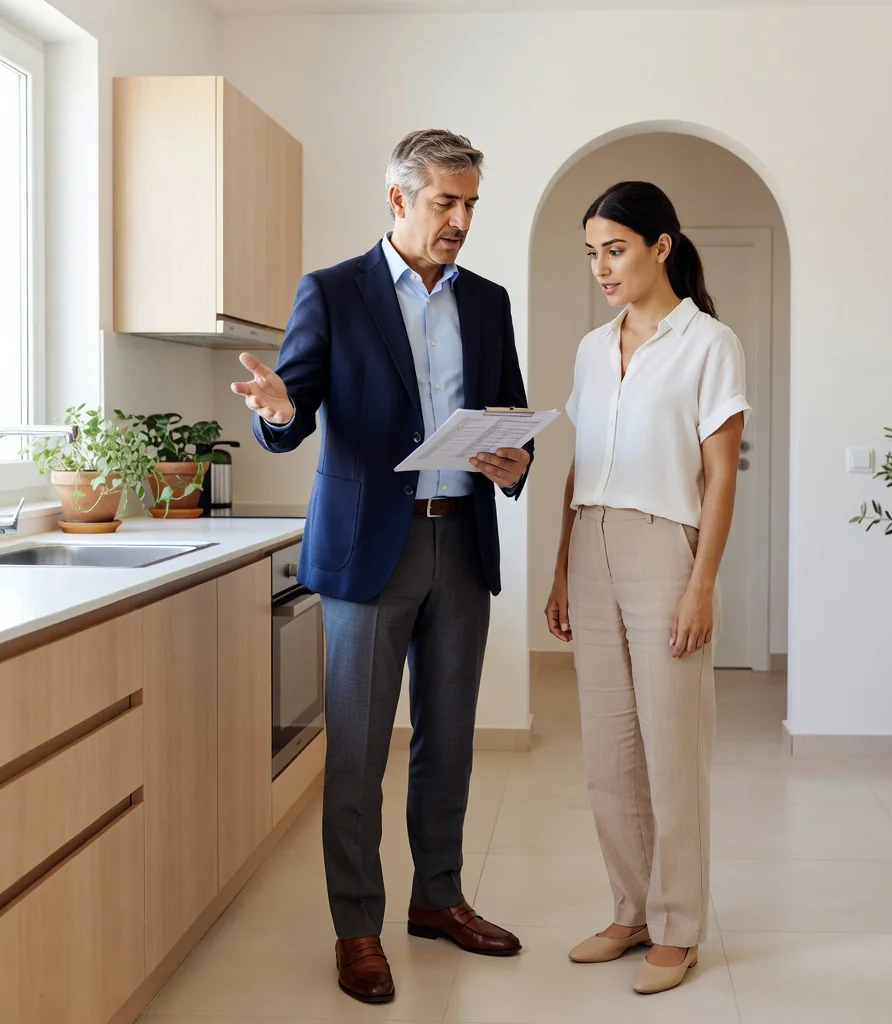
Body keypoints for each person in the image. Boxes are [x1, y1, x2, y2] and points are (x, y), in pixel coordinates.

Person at [231, 129, 532, 1006]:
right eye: (446, 202)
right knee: (359, 752)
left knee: (449, 743)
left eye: (472, 203)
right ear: (398, 201)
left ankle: (438, 900)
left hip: (461, 543)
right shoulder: (333, 292)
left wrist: (515, 461)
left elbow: (507, 413)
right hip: (369, 550)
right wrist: (281, 412)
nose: (462, 221)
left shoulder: (487, 301)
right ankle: (356, 927)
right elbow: (287, 411)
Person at [545, 181, 748, 996]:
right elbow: (579, 461)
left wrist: (703, 584)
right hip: (590, 544)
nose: (602, 266)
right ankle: (628, 912)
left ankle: (679, 927)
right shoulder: (593, 350)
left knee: (672, 748)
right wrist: (561, 567)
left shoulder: (710, 343)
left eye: (616, 248)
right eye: (592, 252)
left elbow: (721, 473)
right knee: (609, 751)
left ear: (662, 245)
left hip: (667, 548)